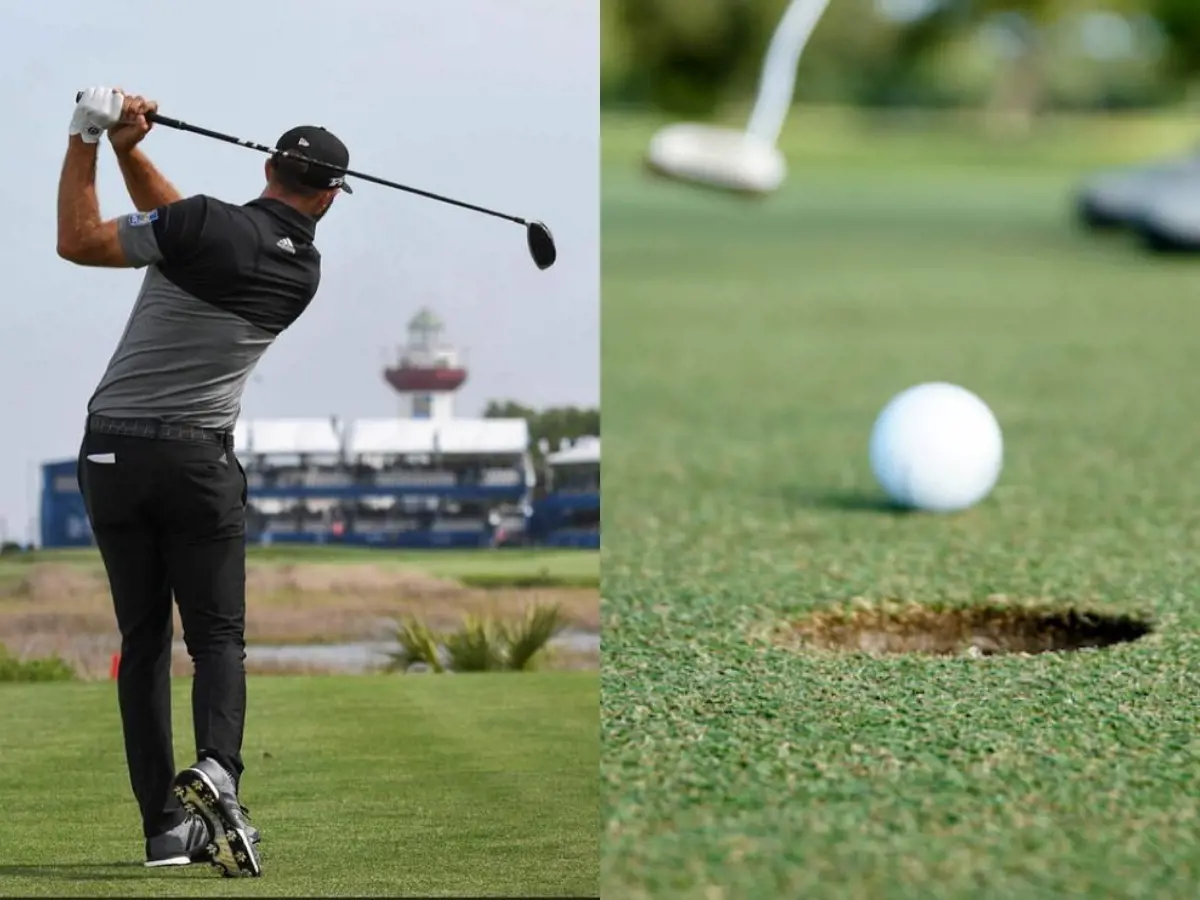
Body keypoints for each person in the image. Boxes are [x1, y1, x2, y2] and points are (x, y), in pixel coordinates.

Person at [56, 86, 352, 878]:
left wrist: (87, 136)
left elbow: (81, 241)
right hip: (199, 464)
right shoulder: (302, 273)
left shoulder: (198, 226)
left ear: (267, 166)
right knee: (217, 636)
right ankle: (219, 763)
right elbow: (191, 231)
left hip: (113, 454)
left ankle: (163, 831)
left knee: (143, 643)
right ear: (328, 197)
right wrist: (128, 151)